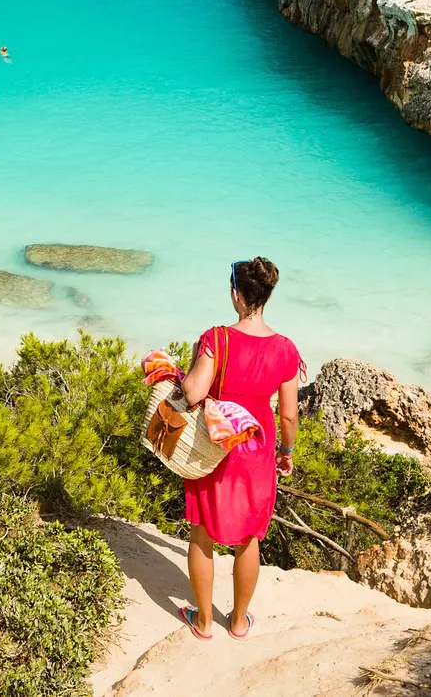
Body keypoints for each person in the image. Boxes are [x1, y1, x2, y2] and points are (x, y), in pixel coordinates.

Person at [176, 257, 300, 642]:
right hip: (257, 450)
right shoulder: (285, 348)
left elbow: (194, 392)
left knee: (202, 533)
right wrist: (286, 451)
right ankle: (239, 621)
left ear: (236, 295)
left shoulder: (217, 339)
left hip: (215, 449)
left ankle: (203, 622)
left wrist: (181, 373)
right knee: (249, 539)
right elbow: (290, 416)